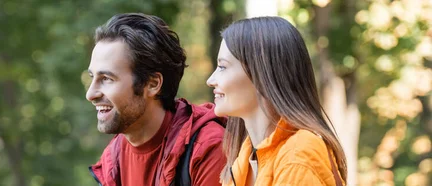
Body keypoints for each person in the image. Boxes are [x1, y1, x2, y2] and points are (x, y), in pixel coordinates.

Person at [86, 13, 226, 186]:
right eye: (92, 77)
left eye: (107, 78)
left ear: (152, 84)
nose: (91, 94)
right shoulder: (112, 160)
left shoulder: (206, 149)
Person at [206, 16, 347, 186]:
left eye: (222, 67)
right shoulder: (245, 159)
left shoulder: (298, 155)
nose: (211, 80)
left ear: (261, 73)